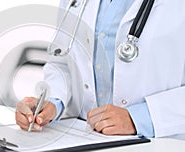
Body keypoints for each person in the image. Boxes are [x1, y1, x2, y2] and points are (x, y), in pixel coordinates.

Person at [15, 0, 185, 138]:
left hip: (162, 141)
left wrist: (140, 118)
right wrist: (52, 103)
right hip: (84, 137)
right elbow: (62, 61)